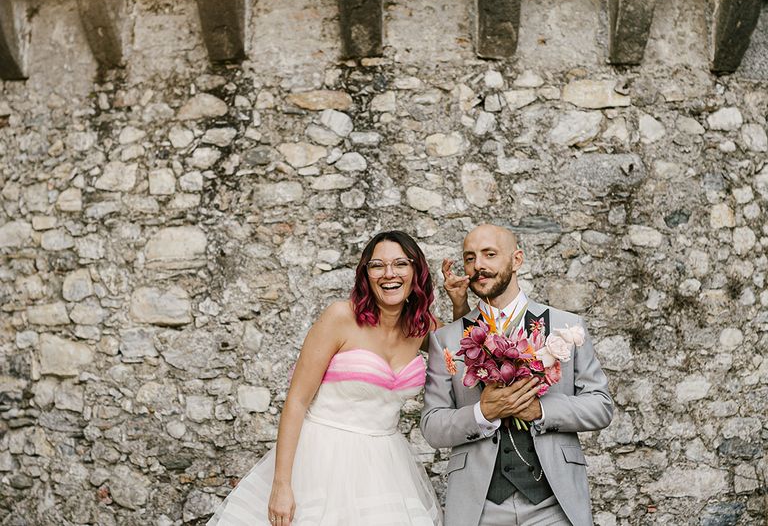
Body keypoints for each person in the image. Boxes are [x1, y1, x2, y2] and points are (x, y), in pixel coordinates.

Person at [207, 230, 470, 526]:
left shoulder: (420, 327)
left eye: (400, 264)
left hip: (385, 466)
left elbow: (463, 349)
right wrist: (282, 484)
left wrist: (459, 302)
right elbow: (296, 401)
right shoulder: (340, 317)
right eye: (377, 265)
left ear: (415, 272)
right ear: (366, 275)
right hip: (322, 458)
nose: (389, 273)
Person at [420, 224, 613, 526]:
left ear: (517, 260)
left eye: (490, 254)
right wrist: (483, 413)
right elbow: (432, 426)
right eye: (469, 258)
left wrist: (541, 409)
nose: (478, 265)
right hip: (480, 507)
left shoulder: (566, 325)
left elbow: (601, 406)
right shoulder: (447, 339)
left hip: (554, 505)